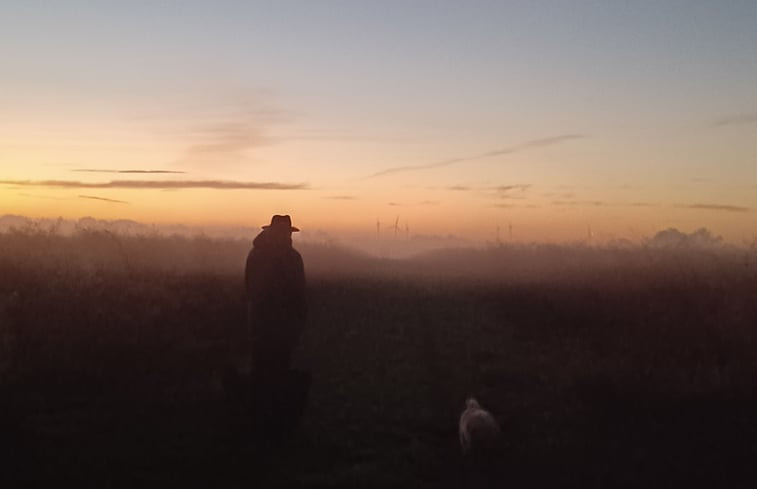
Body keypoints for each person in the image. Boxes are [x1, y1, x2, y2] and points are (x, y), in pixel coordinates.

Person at [245, 214, 307, 378]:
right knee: (278, 370)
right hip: (278, 326)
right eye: (284, 233)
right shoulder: (293, 258)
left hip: (262, 325)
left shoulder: (255, 255)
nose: (287, 237)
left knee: (261, 370)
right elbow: (299, 293)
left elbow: (249, 290)